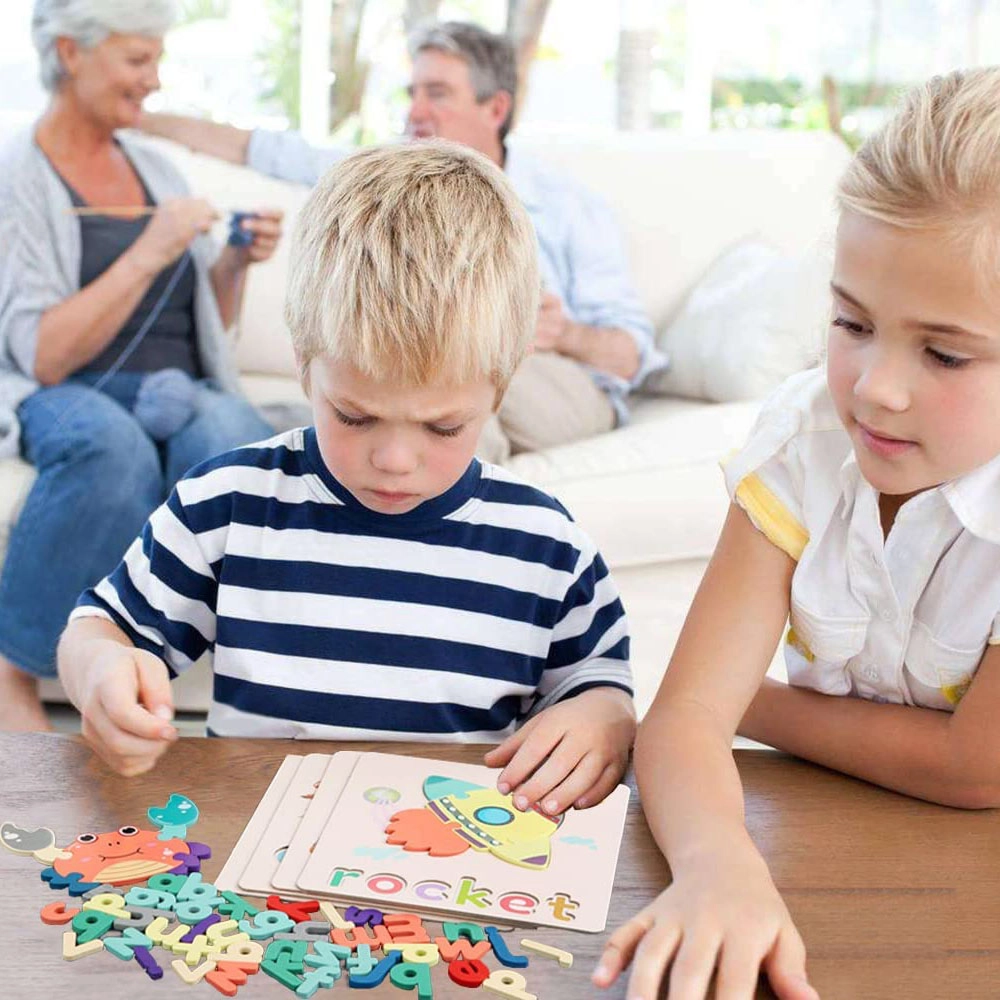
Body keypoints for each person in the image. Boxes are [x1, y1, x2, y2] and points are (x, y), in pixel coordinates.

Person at [56, 139, 637, 828]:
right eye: (355, 416)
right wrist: (100, 675)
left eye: (443, 428)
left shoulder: (546, 545)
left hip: (452, 883)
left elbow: (600, 684)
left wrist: (604, 719)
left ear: (500, 388)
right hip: (258, 874)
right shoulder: (231, 506)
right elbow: (102, 629)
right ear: (305, 367)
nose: (393, 459)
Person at [593, 67, 1000, 1000]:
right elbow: (684, 722)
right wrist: (716, 867)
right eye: (852, 323)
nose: (874, 388)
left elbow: (976, 771)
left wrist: (758, 705)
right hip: (834, 850)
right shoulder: (805, 441)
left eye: (942, 352)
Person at [139, 20, 664, 464]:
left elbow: (630, 358)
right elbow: (267, 150)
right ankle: (258, 431)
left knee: (454, 404)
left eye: (437, 94)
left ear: (496, 109)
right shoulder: (386, 174)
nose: (415, 111)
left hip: (549, 375)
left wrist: (563, 332)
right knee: (379, 402)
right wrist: (136, 116)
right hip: (432, 361)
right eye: (411, 93)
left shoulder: (569, 206)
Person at [0, 0, 283, 732]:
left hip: (179, 387)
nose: (152, 81)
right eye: (137, 59)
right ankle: (11, 672)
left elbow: (207, 326)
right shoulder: (18, 179)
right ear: (69, 52)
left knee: (235, 445)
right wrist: (152, 247)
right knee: (111, 447)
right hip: (65, 389)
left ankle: (265, 691)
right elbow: (42, 352)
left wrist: (235, 262)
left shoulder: (154, 166)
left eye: (157, 59)